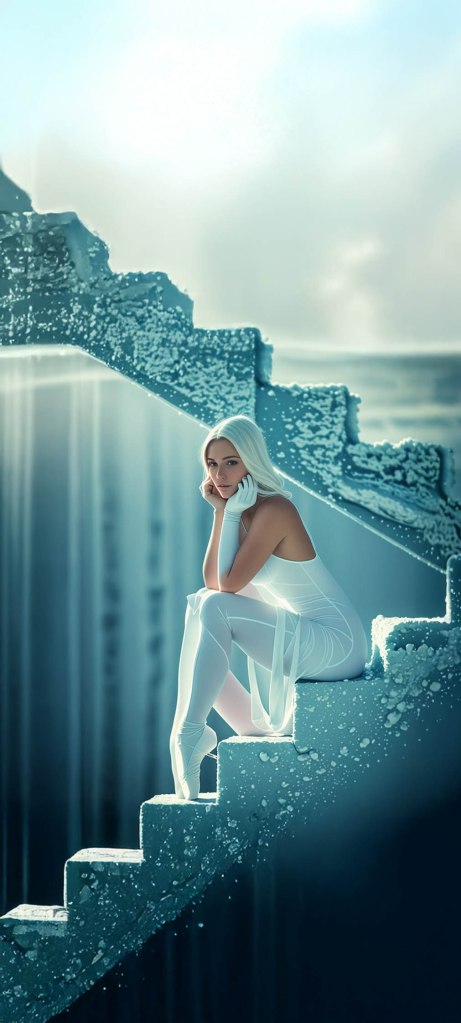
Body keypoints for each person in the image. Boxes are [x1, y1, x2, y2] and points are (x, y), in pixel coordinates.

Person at [170, 414, 369, 800]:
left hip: (337, 642)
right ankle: (242, 727)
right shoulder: (240, 509)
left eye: (231, 462)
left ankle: (191, 731)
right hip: (307, 635)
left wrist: (229, 513)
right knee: (201, 604)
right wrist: (221, 512)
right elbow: (213, 581)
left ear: (251, 460)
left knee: (215, 607)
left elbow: (228, 585)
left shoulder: (275, 509)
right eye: (212, 464)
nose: (220, 474)